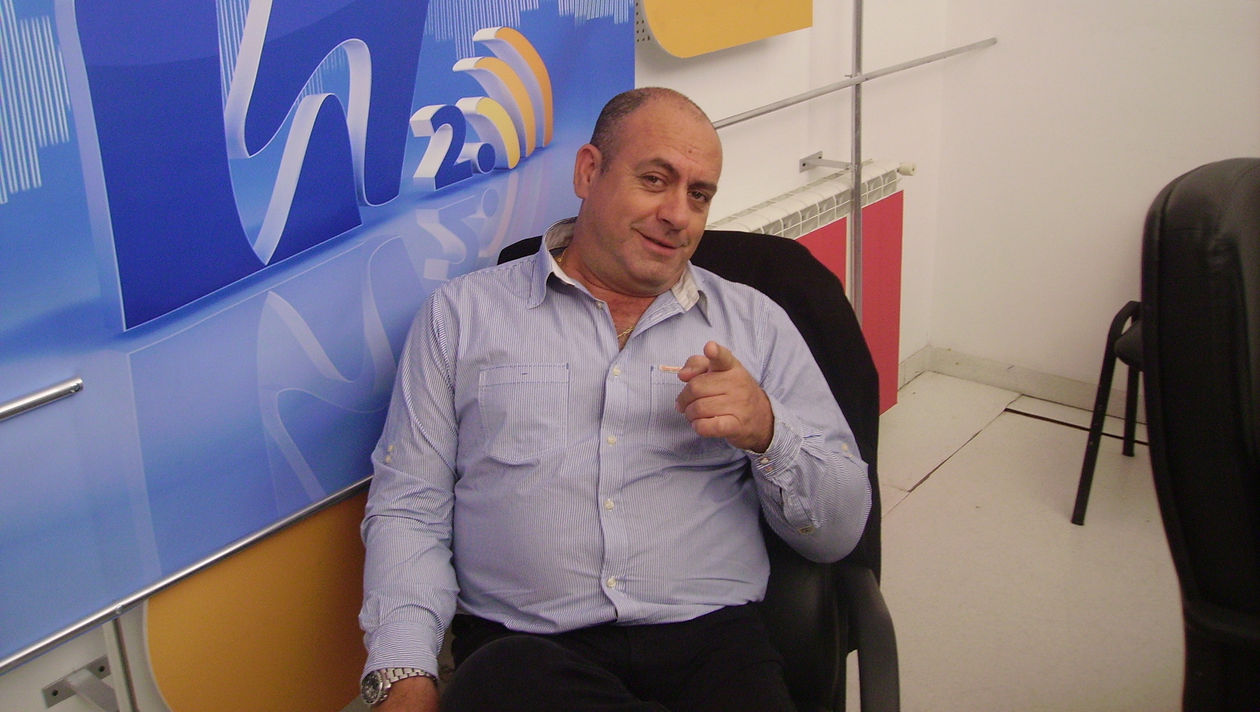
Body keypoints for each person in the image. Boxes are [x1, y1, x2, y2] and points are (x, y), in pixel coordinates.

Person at [358, 87, 872, 712]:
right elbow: (409, 508)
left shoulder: (755, 324)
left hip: (712, 646)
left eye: (699, 195)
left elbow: (840, 532)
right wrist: (403, 673)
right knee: (502, 682)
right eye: (655, 180)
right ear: (588, 172)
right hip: (529, 655)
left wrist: (769, 431)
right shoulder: (460, 318)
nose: (678, 215)